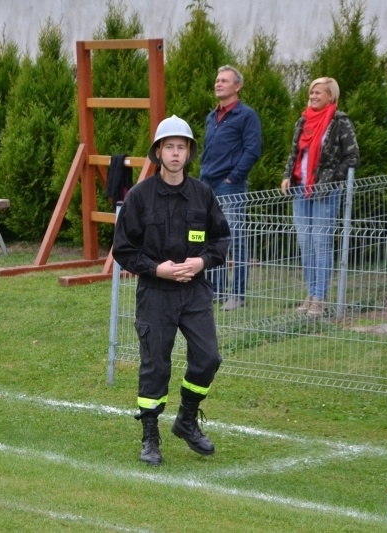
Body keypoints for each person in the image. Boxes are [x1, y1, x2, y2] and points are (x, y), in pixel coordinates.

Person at [112, 115, 231, 466]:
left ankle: (187, 419)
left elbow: (220, 239)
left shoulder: (203, 194)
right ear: (158, 152)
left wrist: (201, 263)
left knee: (208, 357)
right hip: (155, 293)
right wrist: (156, 269)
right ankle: (150, 435)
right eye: (169, 147)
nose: (176, 153)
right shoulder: (139, 197)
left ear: (188, 153)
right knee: (155, 365)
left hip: (194, 291)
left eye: (182, 147)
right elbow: (123, 248)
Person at [280, 77, 359, 317]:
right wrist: (287, 175)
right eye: (311, 92)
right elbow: (295, 152)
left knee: (321, 243)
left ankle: (320, 298)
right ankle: (310, 294)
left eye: (318, 93)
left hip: (325, 191)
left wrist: (332, 178)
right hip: (301, 189)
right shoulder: (304, 120)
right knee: (306, 243)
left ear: (330, 96)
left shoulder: (339, 121)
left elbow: (352, 156)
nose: (313, 96)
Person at [199, 65, 262, 311]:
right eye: (217, 80)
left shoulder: (246, 116)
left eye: (224, 80)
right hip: (207, 184)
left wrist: (232, 177)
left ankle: (237, 294)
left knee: (236, 238)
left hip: (230, 186)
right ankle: (215, 291)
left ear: (237, 86)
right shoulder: (211, 116)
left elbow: (253, 150)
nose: (218, 83)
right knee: (211, 239)